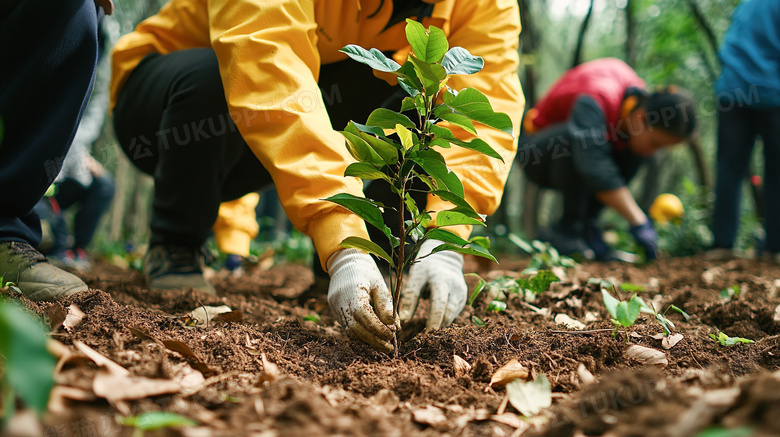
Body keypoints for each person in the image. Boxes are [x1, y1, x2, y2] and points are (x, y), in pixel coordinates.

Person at [109, 0, 524, 352]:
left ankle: (367, 264)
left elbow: (485, 108)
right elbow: (265, 65)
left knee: (419, 99)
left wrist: (445, 238)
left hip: (264, 136)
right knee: (213, 74)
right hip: (169, 108)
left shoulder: (487, 5)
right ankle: (175, 243)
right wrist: (340, 240)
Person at [518, 58, 696, 261]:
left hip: (578, 155)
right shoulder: (598, 95)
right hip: (535, 152)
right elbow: (592, 164)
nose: (653, 152)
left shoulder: (637, 101)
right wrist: (638, 220)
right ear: (639, 118)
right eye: (656, 143)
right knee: (581, 143)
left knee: (631, 151)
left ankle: (586, 229)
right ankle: (568, 231)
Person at [0, 0, 111, 301]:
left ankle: (72, 248)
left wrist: (74, 154)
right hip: (42, 163)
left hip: (65, 153)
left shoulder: (100, 33)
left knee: (104, 185)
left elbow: (90, 109)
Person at [707, 0, 780, 263]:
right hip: (773, 93)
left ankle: (722, 244)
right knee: (777, 171)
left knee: (729, 168)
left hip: (733, 89)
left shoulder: (749, 4)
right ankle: (776, 247)